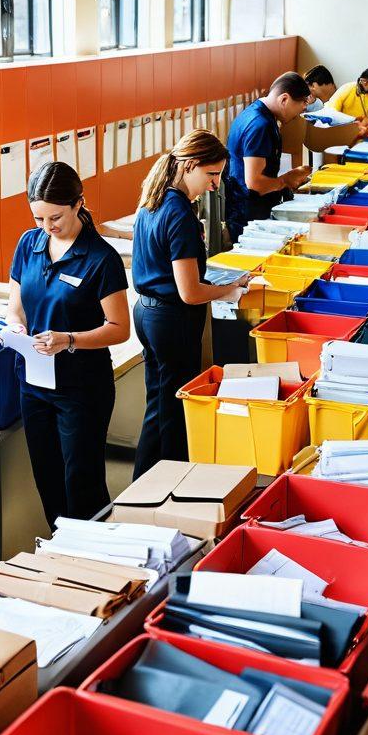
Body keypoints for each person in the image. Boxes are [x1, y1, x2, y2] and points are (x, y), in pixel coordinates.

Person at [5, 161, 130, 528]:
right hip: (35, 384)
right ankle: (60, 555)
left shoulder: (100, 258)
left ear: (78, 203)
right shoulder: (29, 245)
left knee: (82, 484)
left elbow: (119, 328)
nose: (47, 228)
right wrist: (14, 327)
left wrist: (69, 340)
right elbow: (17, 306)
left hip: (81, 388)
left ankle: (92, 557)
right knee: (48, 480)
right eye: (39, 219)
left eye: (55, 218)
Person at [132, 131, 250, 478]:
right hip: (171, 320)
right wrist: (228, 289)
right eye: (211, 175)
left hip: (148, 313)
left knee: (158, 405)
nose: (215, 185)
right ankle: (168, 487)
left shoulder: (152, 200)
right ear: (188, 165)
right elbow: (190, 292)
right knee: (173, 414)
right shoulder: (179, 213)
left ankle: (142, 482)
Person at [225, 71, 312, 242]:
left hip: (247, 207)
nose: (297, 116)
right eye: (298, 107)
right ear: (284, 99)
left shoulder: (256, 112)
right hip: (248, 215)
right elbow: (254, 183)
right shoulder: (260, 126)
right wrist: (287, 179)